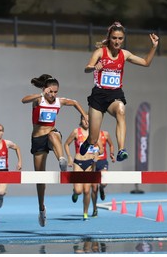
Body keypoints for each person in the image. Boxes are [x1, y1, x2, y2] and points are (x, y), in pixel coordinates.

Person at [79, 21, 159, 162]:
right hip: (98, 95)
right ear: (109, 38)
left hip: (115, 95)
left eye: (120, 38)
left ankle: (121, 149)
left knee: (121, 110)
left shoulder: (125, 54)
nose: (117, 41)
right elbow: (87, 68)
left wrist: (154, 46)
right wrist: (94, 67)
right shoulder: (100, 52)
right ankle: (88, 142)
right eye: (114, 38)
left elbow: (146, 62)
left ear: (123, 39)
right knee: (93, 138)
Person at [22, 75, 88, 227]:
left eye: (55, 92)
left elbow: (75, 102)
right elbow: (24, 100)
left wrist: (84, 114)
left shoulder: (59, 101)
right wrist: (41, 94)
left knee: (54, 135)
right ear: (45, 90)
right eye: (50, 92)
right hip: (38, 140)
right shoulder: (39, 100)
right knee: (40, 179)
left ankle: (61, 160)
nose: (53, 95)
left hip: (51, 135)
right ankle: (41, 209)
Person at [64, 115, 114, 220]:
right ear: (81, 120)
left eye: (88, 120)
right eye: (84, 119)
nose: (86, 122)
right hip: (78, 163)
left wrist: (97, 153)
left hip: (90, 164)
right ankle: (75, 192)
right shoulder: (76, 132)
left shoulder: (94, 135)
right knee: (79, 191)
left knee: (87, 191)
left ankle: (85, 213)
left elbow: (101, 149)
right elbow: (66, 144)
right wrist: (69, 157)